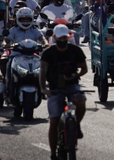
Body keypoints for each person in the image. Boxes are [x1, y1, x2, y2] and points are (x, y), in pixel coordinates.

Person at [40, 24, 88, 160]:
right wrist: (44, 88)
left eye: (65, 38)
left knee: (81, 99)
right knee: (54, 120)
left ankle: (76, 125)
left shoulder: (75, 50)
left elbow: (84, 69)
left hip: (72, 86)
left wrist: (75, 76)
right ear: (54, 37)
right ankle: (53, 153)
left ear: (69, 37)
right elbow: (42, 71)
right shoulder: (48, 53)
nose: (62, 40)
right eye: (59, 38)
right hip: (55, 88)